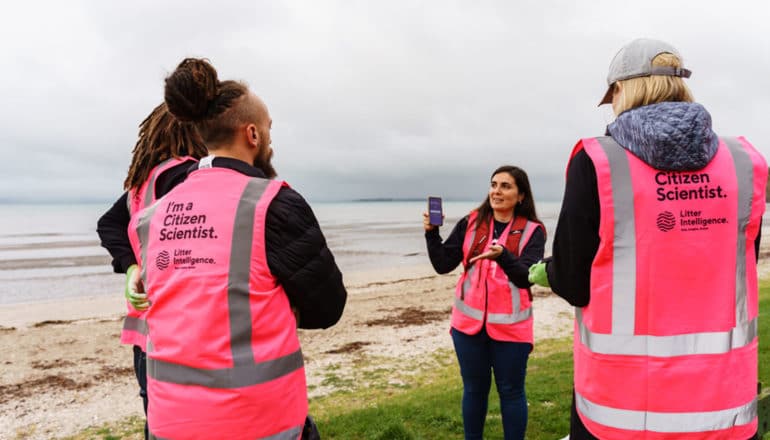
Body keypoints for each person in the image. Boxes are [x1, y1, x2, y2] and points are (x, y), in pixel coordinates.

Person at [528, 38, 766, 439]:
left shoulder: (599, 160)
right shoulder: (744, 163)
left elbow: (573, 280)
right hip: (722, 404)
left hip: (621, 408)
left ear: (622, 88)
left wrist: (547, 272)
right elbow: (738, 262)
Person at [126, 57, 346, 440]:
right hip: (258, 422)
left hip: (168, 422)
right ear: (253, 135)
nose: (271, 139)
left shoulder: (152, 215)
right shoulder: (274, 204)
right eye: (269, 129)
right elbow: (328, 306)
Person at [96, 102, 207, 439]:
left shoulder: (140, 187)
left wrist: (131, 269)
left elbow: (108, 225)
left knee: (157, 420)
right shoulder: (190, 175)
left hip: (145, 333)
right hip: (181, 331)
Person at [424, 165, 545, 440]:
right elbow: (443, 264)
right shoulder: (472, 222)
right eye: (494, 185)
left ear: (521, 195)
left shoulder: (533, 231)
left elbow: (526, 277)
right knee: (474, 390)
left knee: (511, 391)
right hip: (468, 327)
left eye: (505, 186)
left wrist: (502, 255)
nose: (497, 191)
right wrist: (432, 234)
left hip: (512, 329)